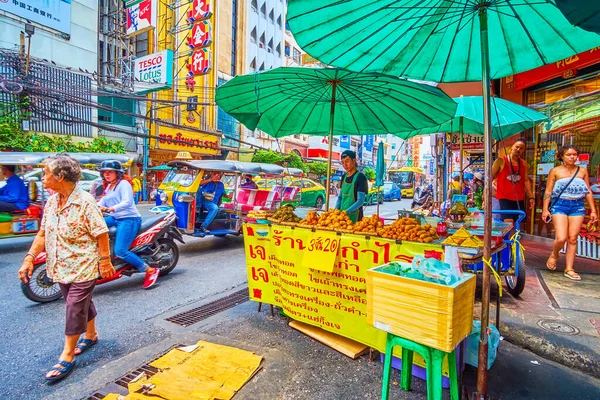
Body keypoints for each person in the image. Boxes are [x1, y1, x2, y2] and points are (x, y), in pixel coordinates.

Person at [18, 154, 116, 383]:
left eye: (45, 173)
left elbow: (100, 231)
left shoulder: (85, 201)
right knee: (81, 302)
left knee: (74, 305)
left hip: (84, 264)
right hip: (59, 266)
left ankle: (67, 354)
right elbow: (43, 233)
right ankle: (90, 334)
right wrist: (29, 258)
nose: (42, 177)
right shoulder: (52, 202)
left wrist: (105, 260)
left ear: (60, 176)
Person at [97, 160, 160, 289]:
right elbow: (102, 201)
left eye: (110, 172)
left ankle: (149, 270)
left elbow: (127, 202)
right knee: (95, 227)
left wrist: (110, 209)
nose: (106, 174)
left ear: (118, 173)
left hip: (129, 219)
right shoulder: (109, 186)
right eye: (104, 172)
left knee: (120, 251)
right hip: (115, 217)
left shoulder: (124, 184)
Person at [542, 145, 597, 281]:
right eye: (568, 154)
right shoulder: (555, 171)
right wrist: (545, 209)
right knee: (561, 238)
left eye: (574, 154)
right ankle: (555, 254)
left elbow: (588, 190)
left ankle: (569, 268)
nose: (572, 157)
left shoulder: (582, 171)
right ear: (562, 156)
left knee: (572, 238)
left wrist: (594, 210)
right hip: (560, 205)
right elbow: (548, 191)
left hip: (577, 206)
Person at [492, 139, 535, 222]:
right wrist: (486, 192)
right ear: (512, 147)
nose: (518, 149)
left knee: (519, 222)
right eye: (517, 147)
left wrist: (531, 197)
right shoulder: (501, 161)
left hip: (519, 198)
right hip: (505, 197)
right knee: (509, 222)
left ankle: (516, 235)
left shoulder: (524, 163)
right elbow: (490, 176)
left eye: (521, 148)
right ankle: (510, 235)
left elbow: (526, 181)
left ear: (523, 150)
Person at [335, 150, 368, 223]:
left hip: (355, 217)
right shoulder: (343, 177)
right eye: (342, 162)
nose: (344, 165)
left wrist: (347, 212)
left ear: (354, 160)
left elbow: (360, 201)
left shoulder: (361, 177)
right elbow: (340, 197)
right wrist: (335, 210)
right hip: (342, 217)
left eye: (347, 161)